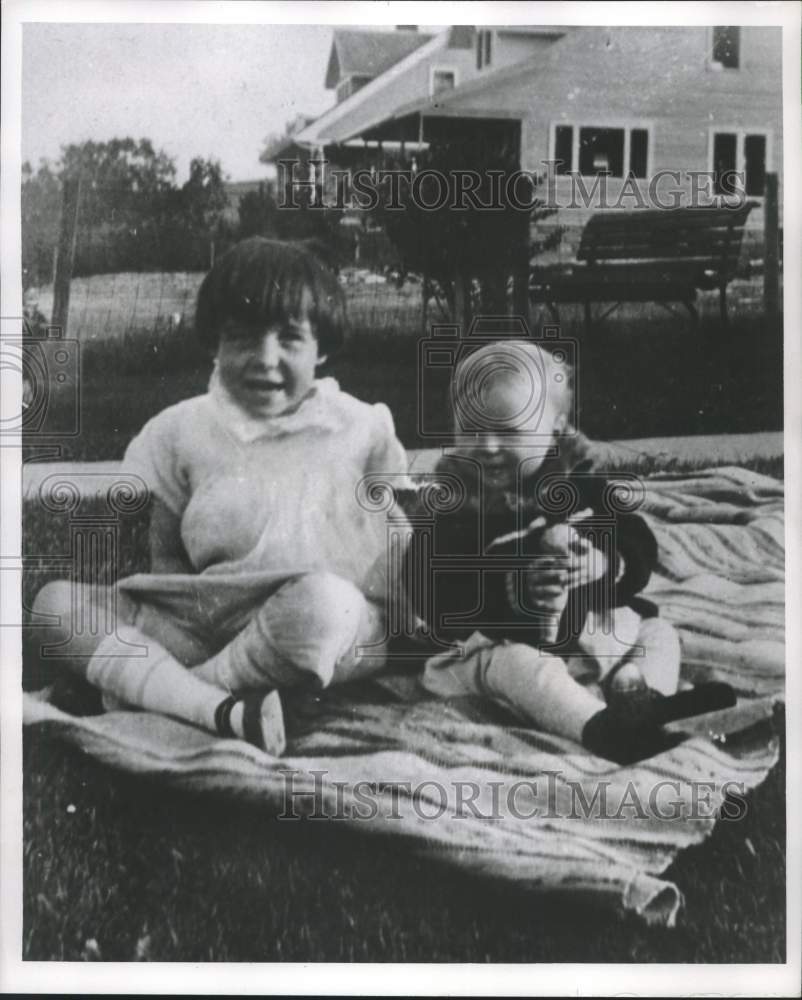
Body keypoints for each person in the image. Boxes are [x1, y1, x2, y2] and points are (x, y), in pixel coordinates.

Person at [32, 238, 408, 755]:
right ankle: (222, 706)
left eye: (290, 339)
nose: (265, 359)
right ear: (213, 342)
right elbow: (166, 561)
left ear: (321, 347)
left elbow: (400, 541)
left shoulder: (362, 427)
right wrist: (167, 624)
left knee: (327, 606)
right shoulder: (179, 431)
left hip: (327, 626)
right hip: (213, 615)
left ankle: (182, 697)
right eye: (242, 338)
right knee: (55, 607)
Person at [402, 339, 734, 764]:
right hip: (500, 645)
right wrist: (509, 590)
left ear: (555, 428)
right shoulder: (456, 505)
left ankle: (646, 701)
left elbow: (637, 541)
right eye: (471, 428)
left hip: (591, 633)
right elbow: (429, 588)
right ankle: (599, 728)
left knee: (658, 634)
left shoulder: (581, 487)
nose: (486, 446)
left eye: (507, 430)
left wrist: (606, 564)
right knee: (518, 666)